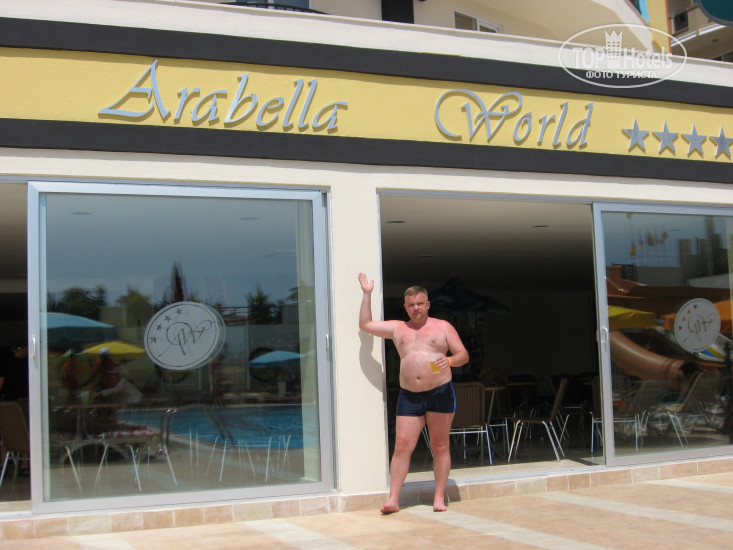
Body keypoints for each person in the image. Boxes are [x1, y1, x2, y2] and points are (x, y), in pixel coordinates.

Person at [358, 273, 469, 514]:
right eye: (411, 305)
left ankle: (438, 498)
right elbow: (365, 325)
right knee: (401, 446)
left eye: (419, 303)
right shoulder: (398, 328)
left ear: (428, 304)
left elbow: (463, 355)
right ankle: (393, 499)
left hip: (440, 392)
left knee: (440, 445)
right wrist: (367, 294)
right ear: (405, 306)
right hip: (410, 395)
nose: (416, 308)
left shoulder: (443, 327)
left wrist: (449, 360)